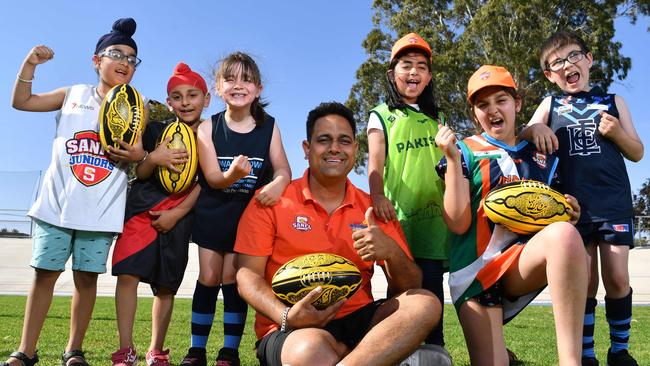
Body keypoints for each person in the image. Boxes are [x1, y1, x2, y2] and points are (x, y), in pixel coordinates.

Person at [235, 101, 441, 366]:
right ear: (307, 150)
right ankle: (379, 359)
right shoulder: (270, 200)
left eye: (344, 141)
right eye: (324, 140)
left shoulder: (373, 208)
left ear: (355, 149)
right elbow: (246, 276)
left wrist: (390, 251)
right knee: (310, 353)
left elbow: (409, 286)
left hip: (360, 321)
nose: (335, 148)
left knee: (426, 304)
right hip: (290, 327)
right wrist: (287, 315)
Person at [2, 18, 147, 366]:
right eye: (117, 54)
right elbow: (21, 102)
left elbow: (139, 155)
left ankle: (74, 350)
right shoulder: (73, 94)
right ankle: (26, 350)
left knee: (86, 279)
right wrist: (29, 64)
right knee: (44, 276)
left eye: (132, 58)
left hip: (100, 211)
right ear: (97, 60)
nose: (125, 62)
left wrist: (136, 154)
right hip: (56, 206)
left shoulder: (135, 107)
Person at [435, 65, 588, 365]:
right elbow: (457, 222)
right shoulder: (464, 150)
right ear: (474, 115)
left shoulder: (542, 153)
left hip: (520, 264)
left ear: (517, 104)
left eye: (501, 100)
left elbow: (553, 215)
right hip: (476, 274)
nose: (493, 110)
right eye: (483, 105)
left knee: (566, 235)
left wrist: (569, 210)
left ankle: (572, 361)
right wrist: (452, 160)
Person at [522, 31, 644, 366]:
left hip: (613, 201)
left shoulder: (614, 101)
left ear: (588, 59)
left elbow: (637, 151)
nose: (567, 65)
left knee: (617, 277)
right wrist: (536, 129)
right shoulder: (550, 104)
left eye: (574, 56)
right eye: (557, 62)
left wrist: (618, 133)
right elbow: (525, 133)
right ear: (550, 74)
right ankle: (586, 355)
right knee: (585, 283)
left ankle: (619, 351)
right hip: (571, 208)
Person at [180, 52, 291, 366]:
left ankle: (229, 351)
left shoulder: (268, 126)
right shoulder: (207, 128)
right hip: (214, 212)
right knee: (210, 275)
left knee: (232, 279)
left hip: (249, 217)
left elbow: (284, 170)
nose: (238, 85)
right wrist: (233, 176)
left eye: (246, 79)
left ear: (257, 88)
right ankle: (196, 350)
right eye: (230, 78)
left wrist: (276, 184)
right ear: (217, 88)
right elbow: (214, 179)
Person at [110, 62, 208, 366]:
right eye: (177, 97)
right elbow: (139, 171)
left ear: (206, 99)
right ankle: (126, 349)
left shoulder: (211, 136)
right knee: (127, 274)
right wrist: (154, 157)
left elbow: (205, 183)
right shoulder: (155, 130)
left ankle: (156, 350)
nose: (185, 102)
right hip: (142, 210)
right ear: (169, 103)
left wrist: (178, 214)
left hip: (179, 216)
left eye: (192, 95)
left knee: (166, 286)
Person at [366, 32, 450, 347]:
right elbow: (375, 163)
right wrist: (377, 196)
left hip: (434, 222)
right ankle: (394, 349)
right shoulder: (381, 114)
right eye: (405, 65)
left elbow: (447, 166)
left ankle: (435, 348)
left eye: (420, 66)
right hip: (397, 220)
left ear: (428, 77)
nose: (413, 72)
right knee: (400, 290)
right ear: (392, 74)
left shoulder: (437, 117)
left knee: (431, 285)